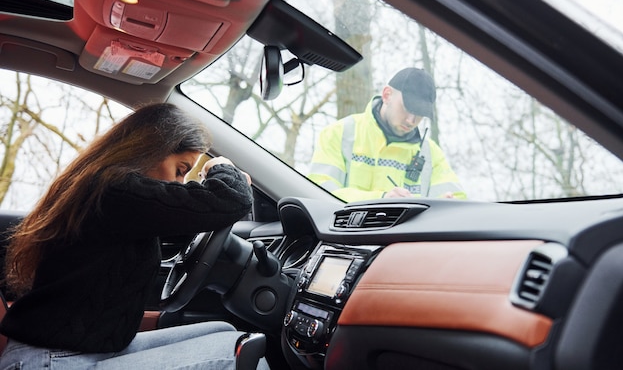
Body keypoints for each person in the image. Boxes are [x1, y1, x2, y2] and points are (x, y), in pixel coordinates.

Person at [0, 103, 268, 369]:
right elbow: (228, 200)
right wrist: (220, 166)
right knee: (240, 355)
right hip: (50, 360)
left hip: (73, 351)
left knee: (221, 332)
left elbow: (195, 213)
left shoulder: (110, 189)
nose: (180, 184)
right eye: (181, 169)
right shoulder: (116, 189)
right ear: (152, 150)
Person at [308, 68, 466, 202]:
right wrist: (382, 199)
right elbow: (319, 194)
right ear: (387, 95)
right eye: (407, 108)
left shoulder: (431, 153)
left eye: (419, 114)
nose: (411, 120)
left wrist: (449, 205)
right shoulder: (337, 134)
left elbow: (457, 201)